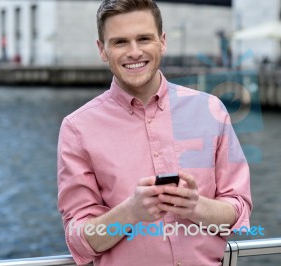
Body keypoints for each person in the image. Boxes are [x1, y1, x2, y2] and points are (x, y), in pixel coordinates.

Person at [57, 0, 252, 265]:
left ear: (162, 41)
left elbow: (239, 210)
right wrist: (130, 211)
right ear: (102, 50)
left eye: (144, 38)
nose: (134, 52)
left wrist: (196, 207)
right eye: (120, 42)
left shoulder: (211, 110)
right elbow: (79, 238)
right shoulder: (77, 128)